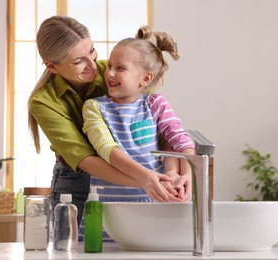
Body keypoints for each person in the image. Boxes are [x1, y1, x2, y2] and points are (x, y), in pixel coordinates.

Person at [27, 16, 187, 228]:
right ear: (52, 66)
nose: (93, 65)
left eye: (91, 51)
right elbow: (87, 159)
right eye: (78, 61)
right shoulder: (43, 102)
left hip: (145, 176)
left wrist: (174, 174)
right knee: (73, 246)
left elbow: (162, 131)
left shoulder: (115, 71)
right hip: (76, 182)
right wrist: (145, 181)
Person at [82, 25, 195, 207]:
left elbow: (180, 140)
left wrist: (187, 175)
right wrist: (145, 177)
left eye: (120, 68)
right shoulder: (94, 107)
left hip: (154, 202)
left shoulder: (156, 104)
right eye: (110, 66)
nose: (109, 73)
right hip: (109, 207)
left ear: (146, 79)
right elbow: (107, 149)